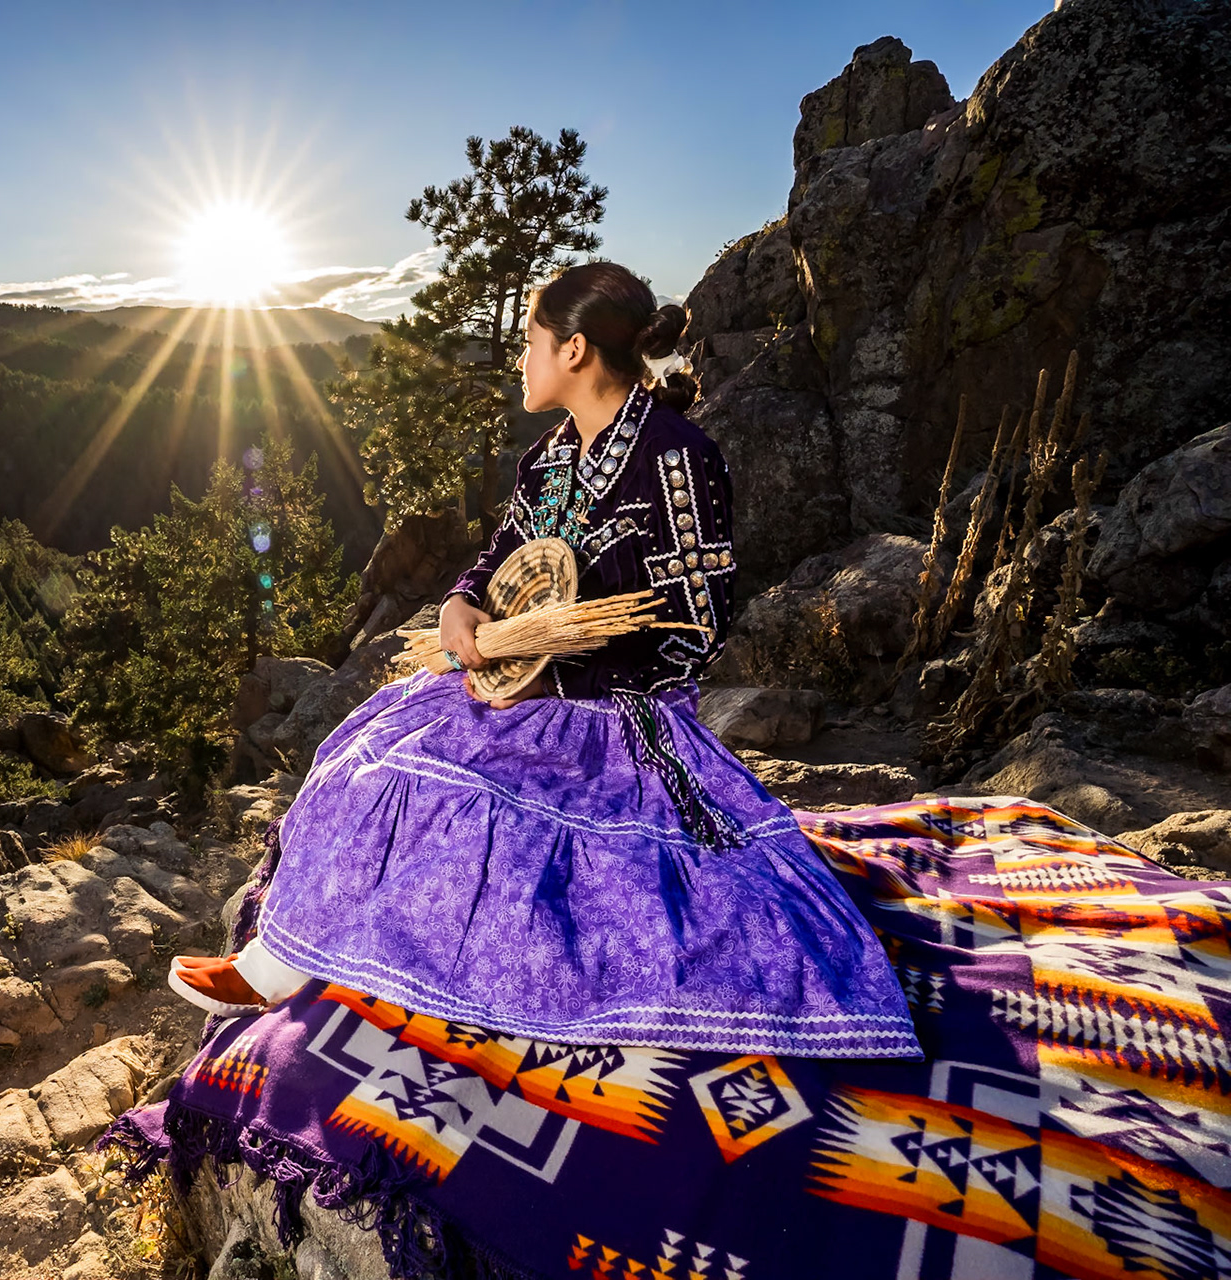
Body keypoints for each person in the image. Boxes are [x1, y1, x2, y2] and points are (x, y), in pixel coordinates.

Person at [169, 262, 919, 1058]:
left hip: (619, 715)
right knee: (369, 747)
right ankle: (281, 959)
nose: (519, 361)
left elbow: (697, 625)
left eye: (530, 343)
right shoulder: (548, 462)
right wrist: (462, 602)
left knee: (472, 809)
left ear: (575, 351)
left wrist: (555, 669)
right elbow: (500, 554)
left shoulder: (676, 459)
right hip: (522, 686)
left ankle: (337, 967)